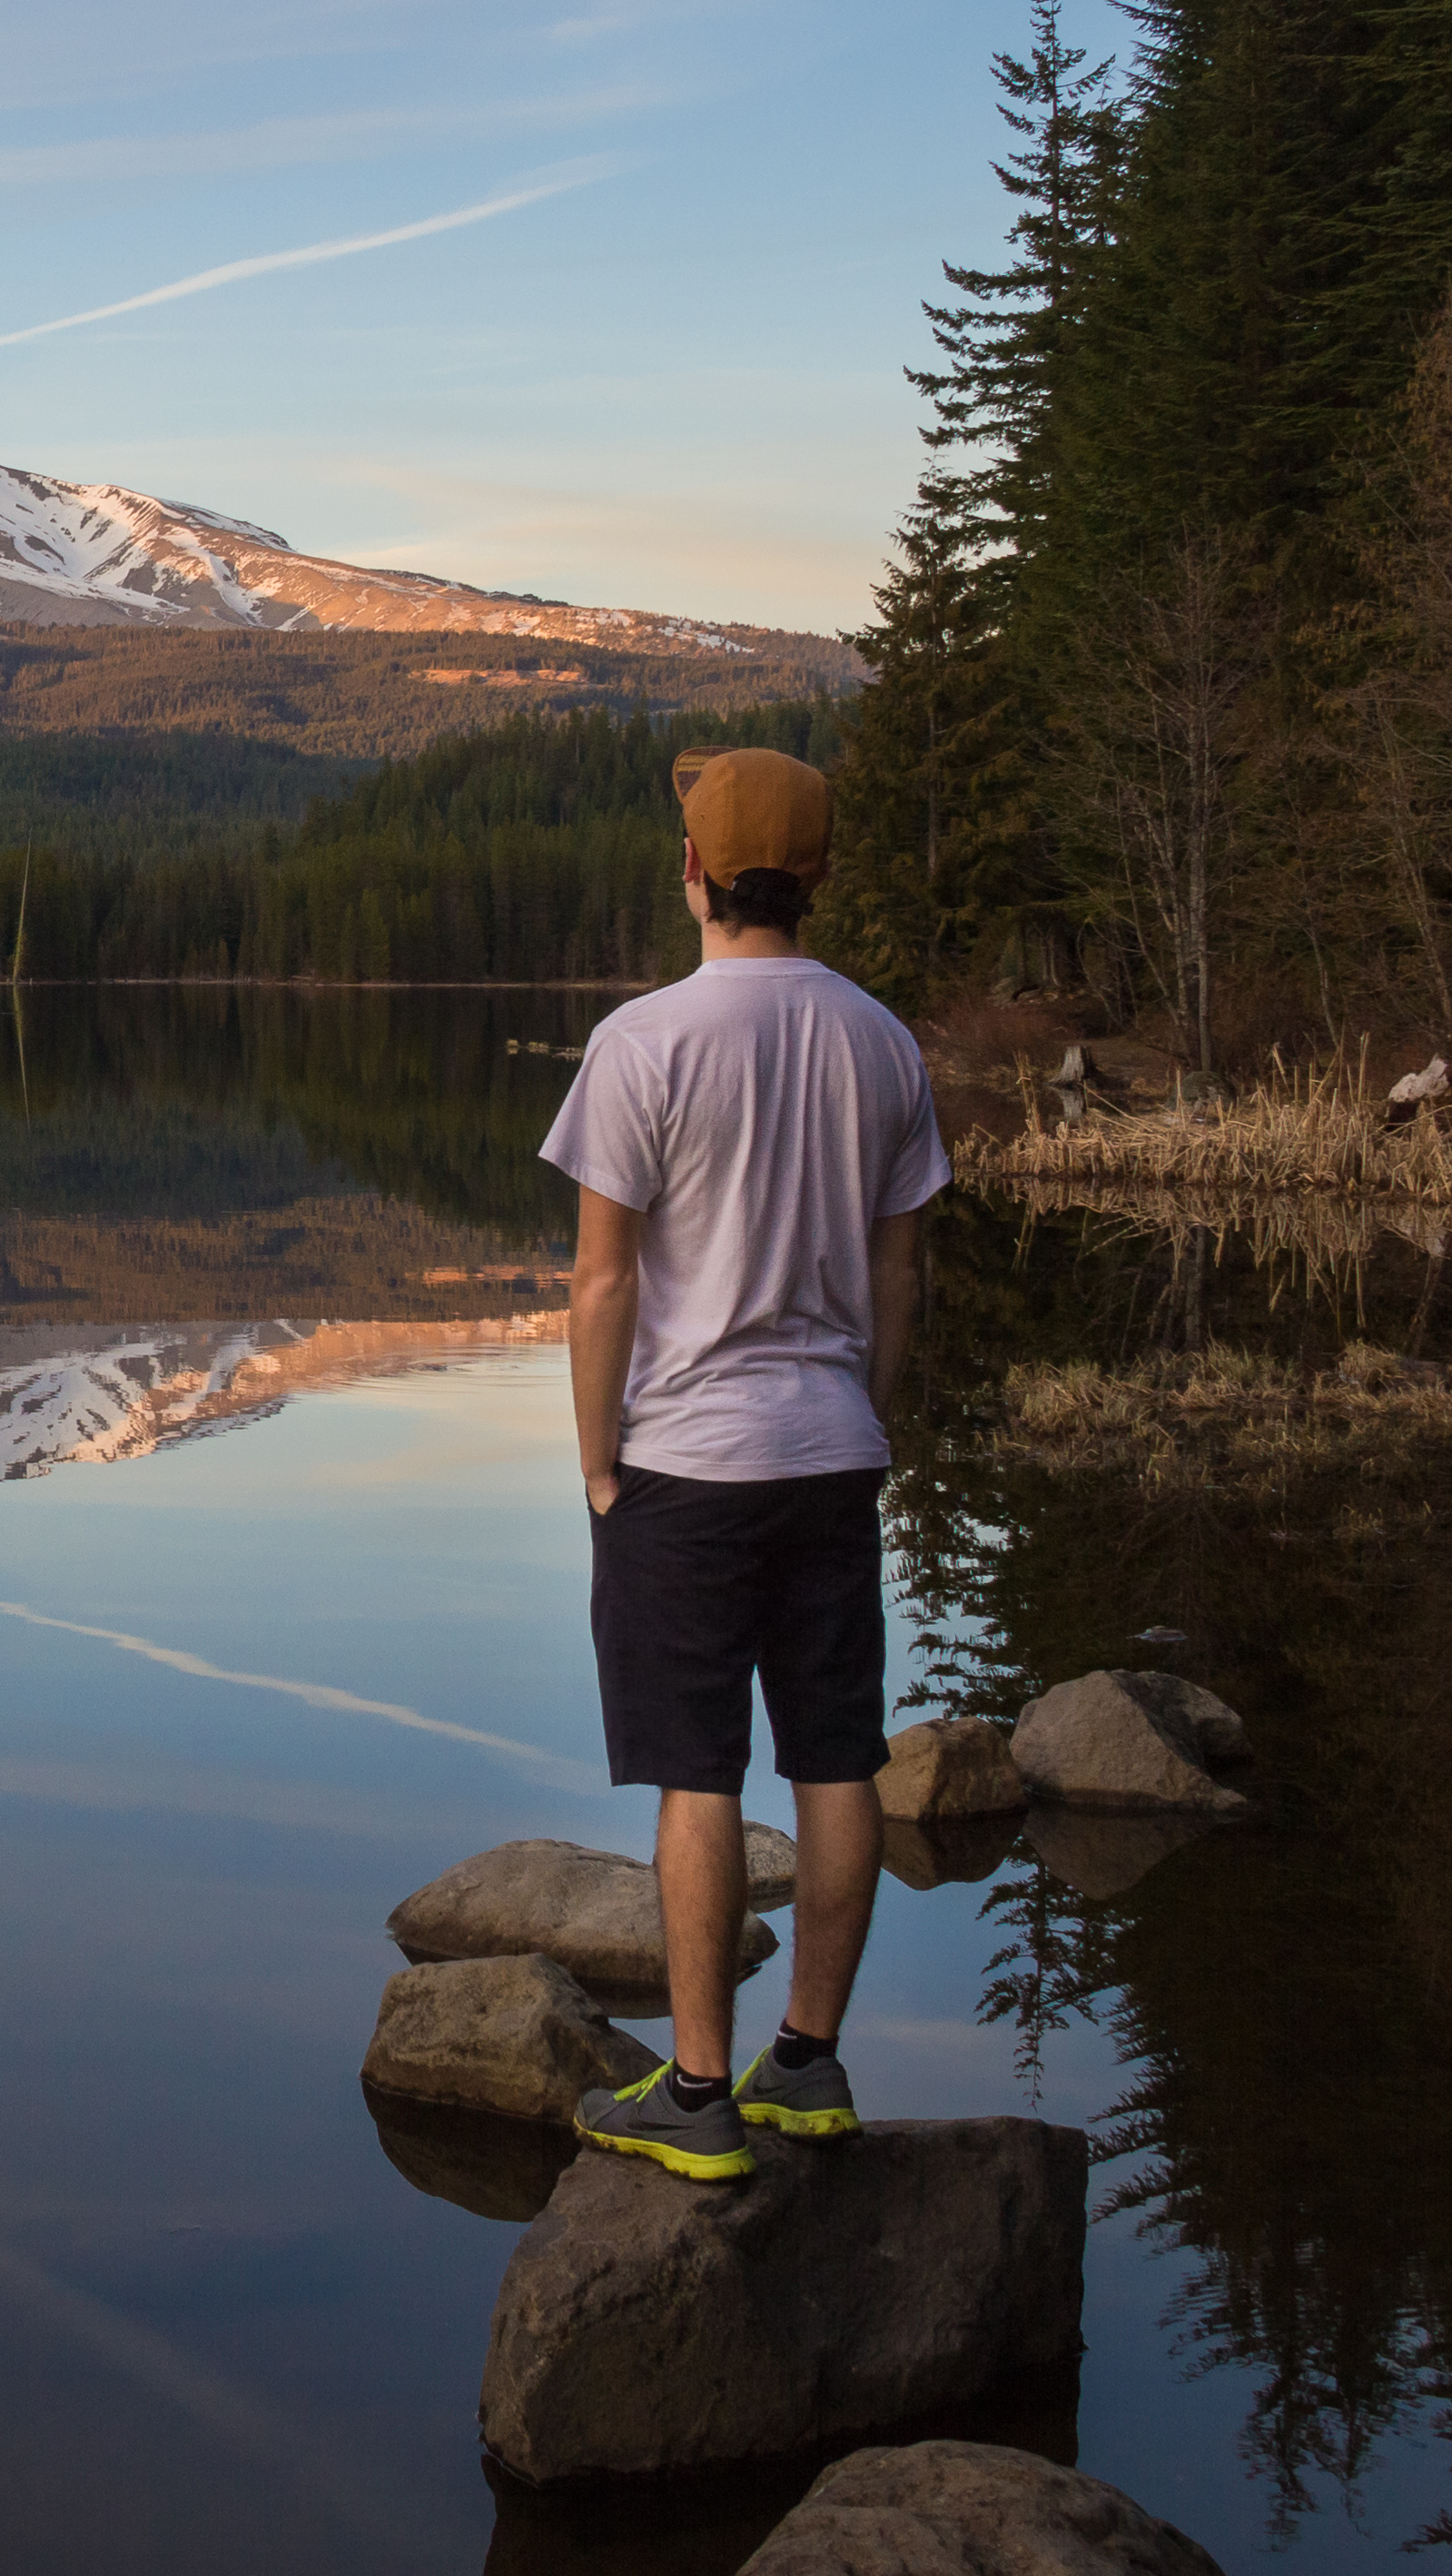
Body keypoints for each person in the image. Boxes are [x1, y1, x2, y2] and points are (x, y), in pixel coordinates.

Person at [533, 744, 943, 2184]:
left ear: (692, 873)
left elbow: (602, 1287)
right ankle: (808, 2067)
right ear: (816, 875)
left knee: (696, 1774)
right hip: (830, 1453)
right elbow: (899, 1272)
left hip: (685, 1469)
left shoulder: (643, 1043)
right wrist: (864, 1421)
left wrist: (598, 1467)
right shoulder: (881, 1041)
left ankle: (696, 2094)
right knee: (837, 1758)